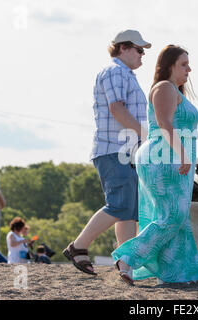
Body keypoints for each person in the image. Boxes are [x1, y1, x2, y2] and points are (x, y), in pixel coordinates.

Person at [111, 44, 198, 285]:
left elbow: (182, 131)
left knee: (175, 216)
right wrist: (184, 156)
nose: (189, 69)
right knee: (172, 216)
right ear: (169, 66)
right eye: (183, 64)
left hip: (175, 157)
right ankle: (126, 257)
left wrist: (196, 163)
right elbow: (165, 124)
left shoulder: (174, 90)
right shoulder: (164, 87)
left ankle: (174, 274)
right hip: (162, 158)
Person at [63, 29, 151, 276]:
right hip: (113, 149)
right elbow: (116, 109)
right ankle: (78, 246)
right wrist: (147, 136)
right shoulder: (115, 72)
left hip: (124, 151)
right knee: (120, 204)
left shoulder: (126, 74)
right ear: (123, 48)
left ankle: (126, 265)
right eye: (139, 49)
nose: (143, 55)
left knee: (128, 211)